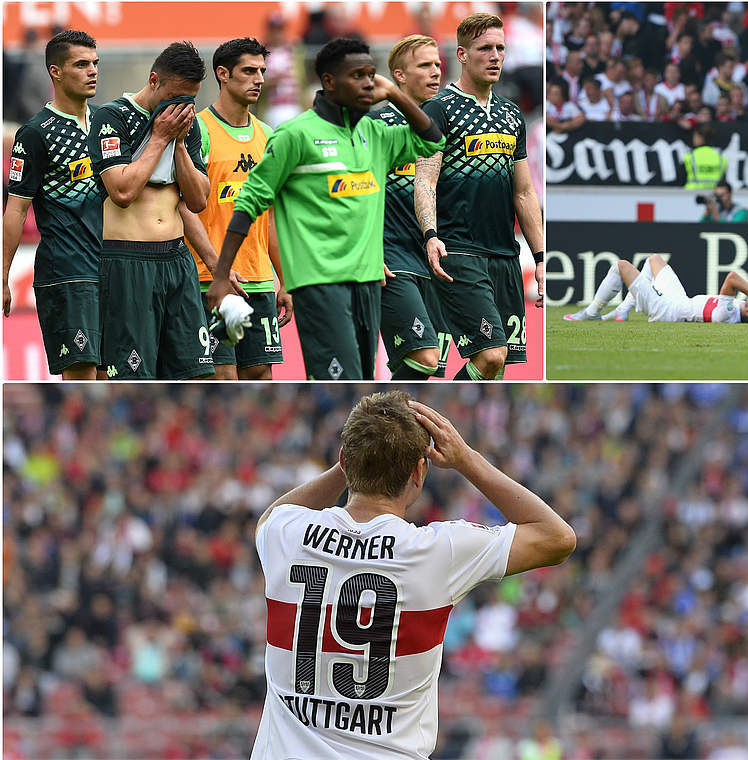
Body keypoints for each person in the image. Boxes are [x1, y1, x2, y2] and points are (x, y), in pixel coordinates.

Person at [249, 390, 574, 759]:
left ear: (344, 460)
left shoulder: (287, 534)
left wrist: (352, 464)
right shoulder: (437, 551)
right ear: (419, 472)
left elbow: (270, 517)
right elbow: (558, 537)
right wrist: (467, 459)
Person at [206, 37, 444, 380]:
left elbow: (432, 140)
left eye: (370, 75)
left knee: (361, 380)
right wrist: (221, 275)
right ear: (329, 82)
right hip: (319, 285)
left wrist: (394, 94)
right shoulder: (295, 135)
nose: (367, 83)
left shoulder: (374, 133)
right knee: (339, 382)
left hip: (368, 283)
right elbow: (250, 202)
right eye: (357, 75)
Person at [417, 13, 546, 382]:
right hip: (459, 251)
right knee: (490, 355)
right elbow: (424, 180)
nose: (495, 56)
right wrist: (430, 235)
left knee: (498, 366)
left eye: (500, 48)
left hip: (504, 254)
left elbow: (523, 191)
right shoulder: (439, 110)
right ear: (461, 54)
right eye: (485, 48)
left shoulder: (511, 113)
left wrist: (540, 257)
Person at [89, 41, 213, 380]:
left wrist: (179, 143)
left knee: (195, 373)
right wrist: (159, 138)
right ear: (154, 80)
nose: (182, 106)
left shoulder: (187, 127)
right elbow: (123, 191)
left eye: (190, 98)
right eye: (175, 96)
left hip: (177, 260)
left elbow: (199, 200)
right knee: (131, 376)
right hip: (127, 262)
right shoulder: (112, 117)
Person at [182, 37, 290, 380]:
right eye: (248, 71)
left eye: (262, 71)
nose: (259, 78)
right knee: (222, 376)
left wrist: (284, 279)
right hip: (212, 280)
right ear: (223, 74)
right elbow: (184, 207)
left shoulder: (268, 135)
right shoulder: (198, 129)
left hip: (258, 280)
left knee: (261, 374)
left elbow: (270, 215)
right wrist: (218, 269)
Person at [2, 30, 103, 379]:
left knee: (113, 375)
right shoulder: (35, 133)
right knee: (83, 376)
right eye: (81, 64)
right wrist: (3, 276)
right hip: (67, 271)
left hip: (112, 268)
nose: (92, 71)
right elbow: (15, 209)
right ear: (55, 72)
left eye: (94, 64)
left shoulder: (108, 124)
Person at [369, 35, 452, 381]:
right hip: (391, 257)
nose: (435, 72)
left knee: (431, 370)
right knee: (425, 357)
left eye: (437, 64)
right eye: (424, 65)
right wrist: (369, 251)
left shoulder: (445, 122)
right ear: (399, 76)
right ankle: (379, 411)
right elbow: (355, 193)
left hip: (433, 259)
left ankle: (391, 415)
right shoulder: (374, 125)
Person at [563, 254, 748, 324]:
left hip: (665, 310)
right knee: (653, 259)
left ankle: (591, 313)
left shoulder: (728, 312)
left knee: (621, 266)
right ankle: (623, 310)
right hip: (678, 299)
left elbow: (732, 277)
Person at [683, 124, 726, 190]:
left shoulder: (690, 157)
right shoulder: (720, 157)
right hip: (714, 194)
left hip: (692, 194)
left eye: (695, 136)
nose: (693, 139)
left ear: (700, 138)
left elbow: (681, 178)